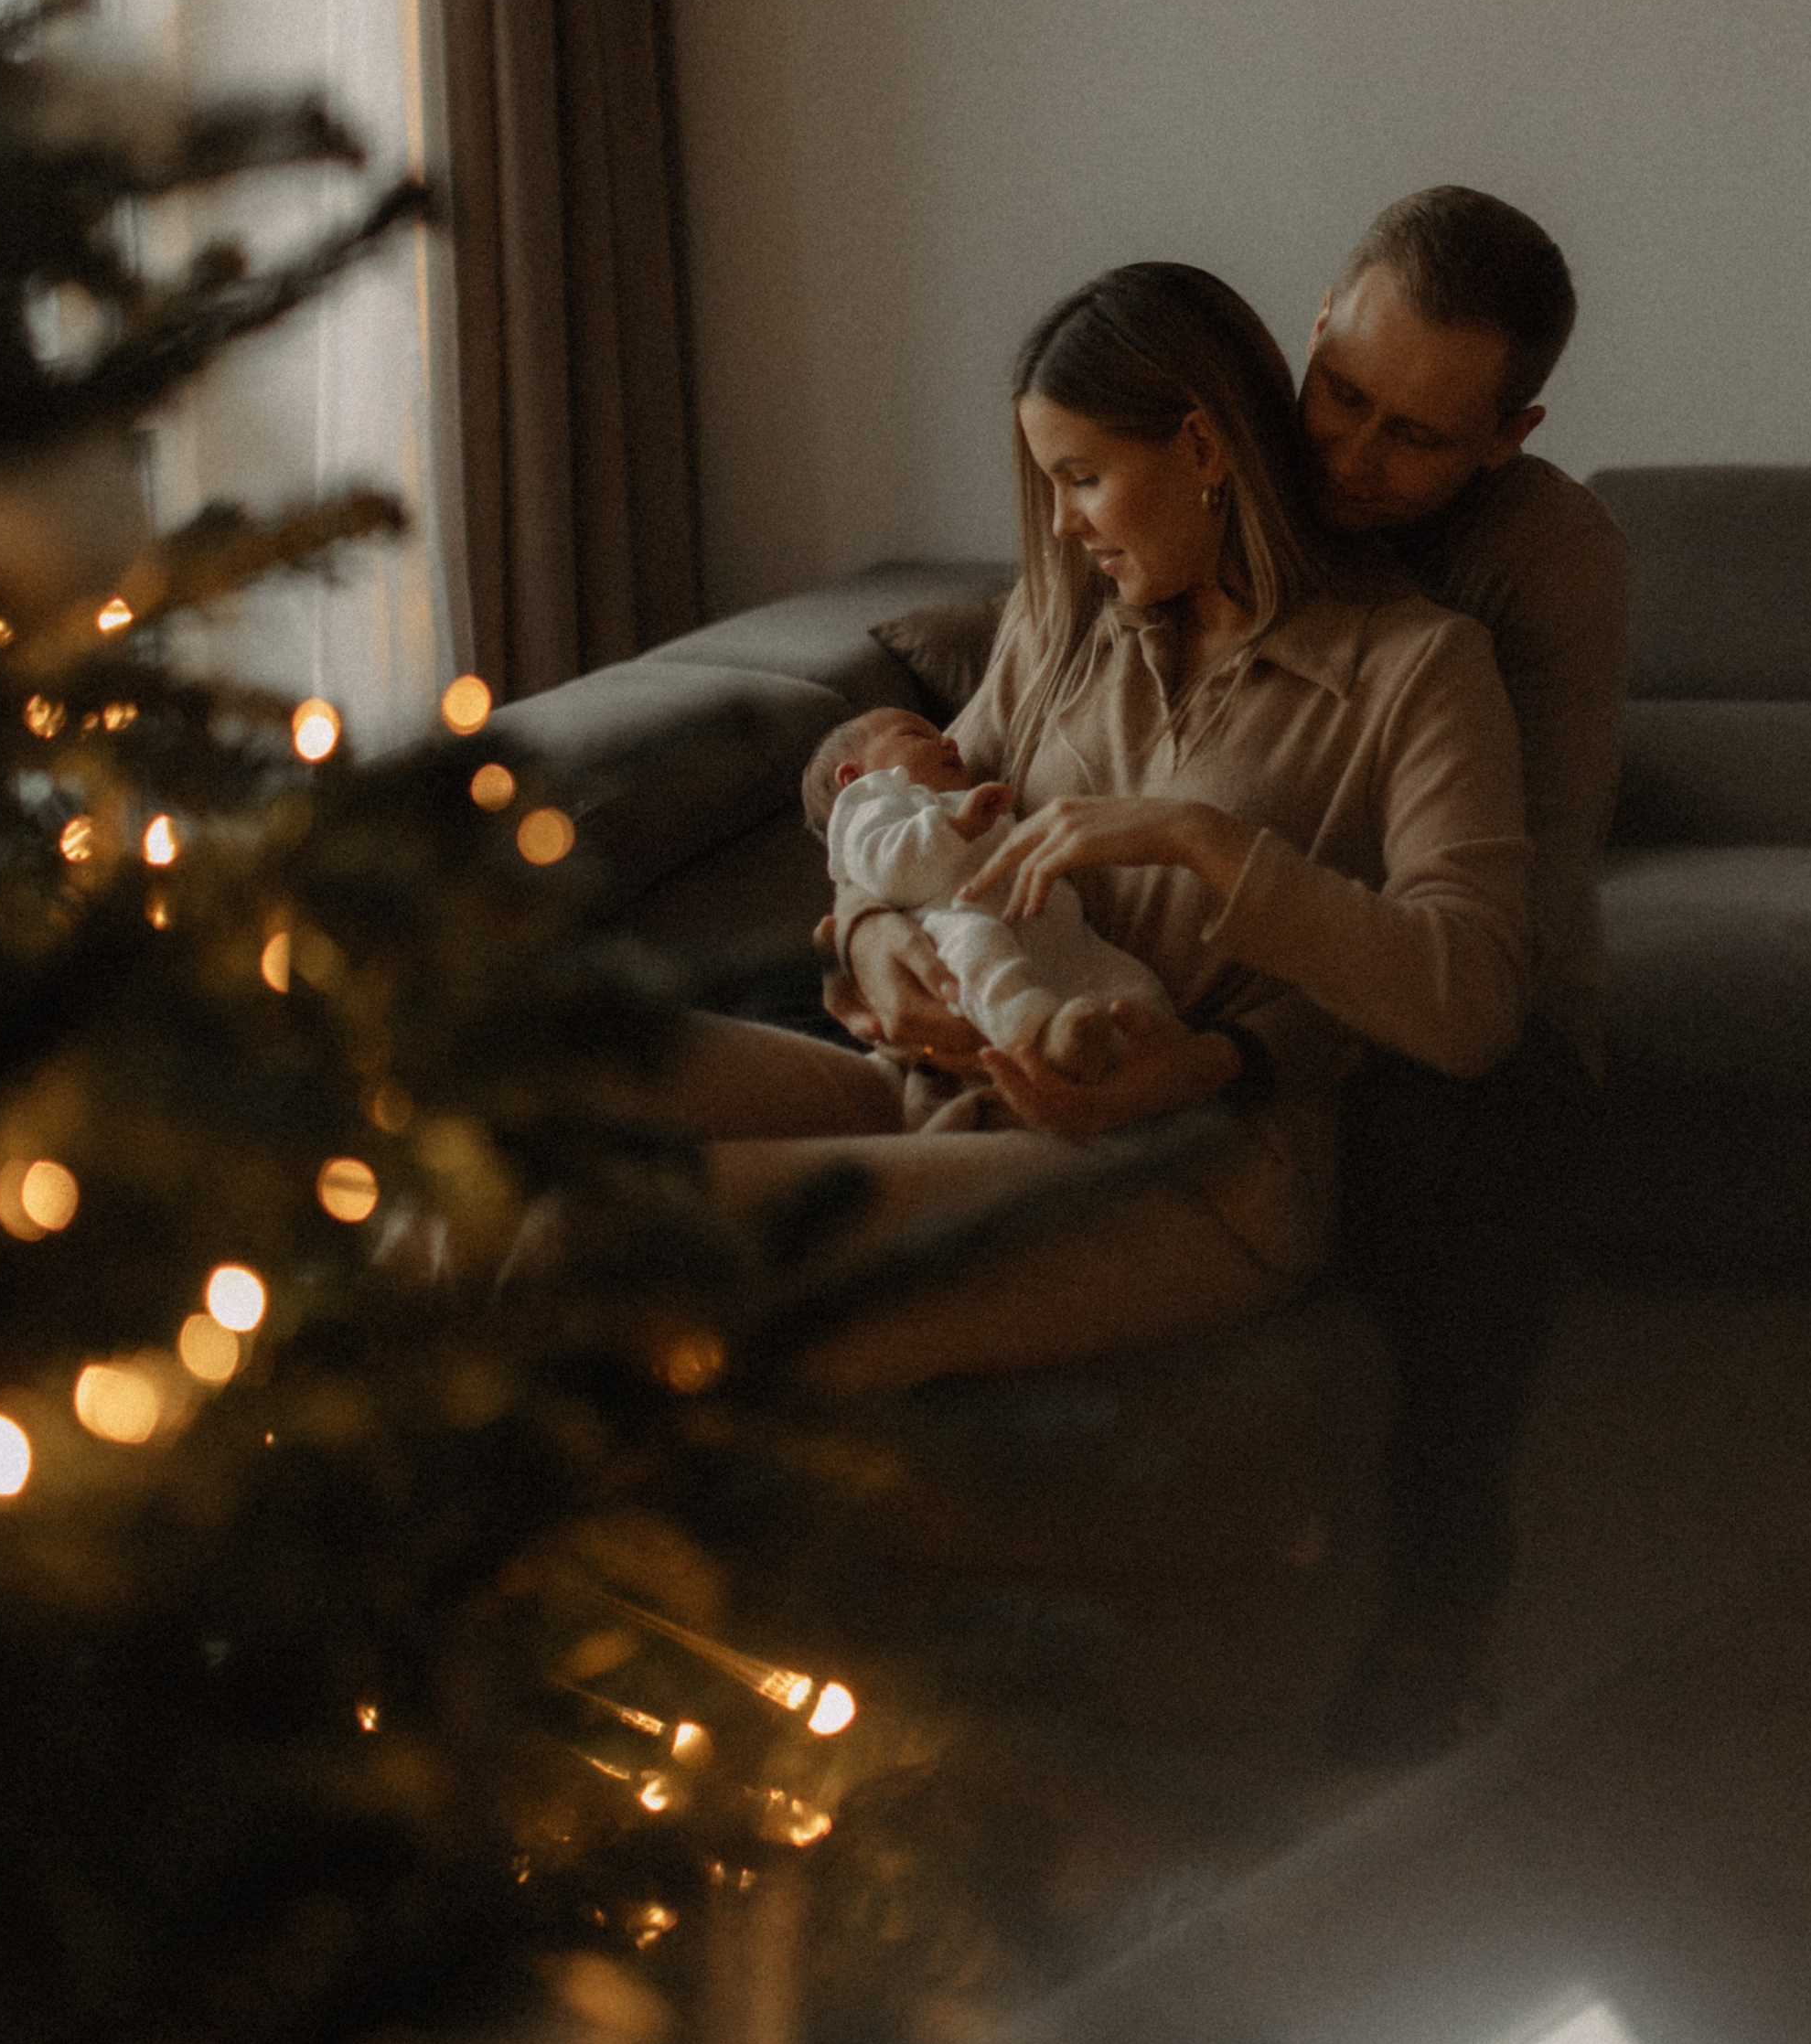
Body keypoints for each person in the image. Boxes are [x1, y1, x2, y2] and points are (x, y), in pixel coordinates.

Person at [666, 262, 1532, 1394]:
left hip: (1201, 1164)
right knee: (512, 1112)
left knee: (613, 1250)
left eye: (1082, 479)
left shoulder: (1418, 668)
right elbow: (900, 809)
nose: (1064, 525)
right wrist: (874, 932)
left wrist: (1198, 841)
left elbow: (1473, 997)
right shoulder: (1061, 622)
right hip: (949, 1086)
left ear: (1204, 451)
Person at [1300, 187, 1631, 1746]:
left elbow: (1522, 915)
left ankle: (1443, 1607)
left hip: (1464, 996)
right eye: (1338, 394)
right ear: (1314, 326)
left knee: (1475, 1163)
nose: (1350, 460)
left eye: (1416, 437)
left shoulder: (1546, 553)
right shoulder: (1237, 451)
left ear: (1508, 433)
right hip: (1219, 960)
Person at [803, 701, 1170, 1081]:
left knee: (1119, 977)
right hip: (952, 924)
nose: (950, 743)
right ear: (853, 776)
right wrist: (955, 827)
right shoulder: (872, 808)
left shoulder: (951, 799)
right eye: (917, 735)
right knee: (978, 948)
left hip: (1048, 929)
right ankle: (1036, 1038)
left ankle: (1140, 1045)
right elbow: (890, 871)